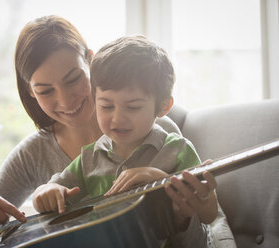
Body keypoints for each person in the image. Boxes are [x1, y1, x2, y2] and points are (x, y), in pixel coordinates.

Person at [0, 15, 182, 243]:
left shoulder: (154, 129)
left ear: (91, 62)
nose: (65, 101)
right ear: (30, 91)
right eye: (45, 91)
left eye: (73, 80)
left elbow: (199, 227)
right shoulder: (33, 153)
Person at [32, 35, 218, 247]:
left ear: (163, 106)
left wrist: (161, 179)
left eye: (133, 107)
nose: (117, 118)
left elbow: (209, 216)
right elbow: (52, 188)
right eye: (106, 106)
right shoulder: (89, 157)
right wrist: (45, 192)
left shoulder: (179, 150)